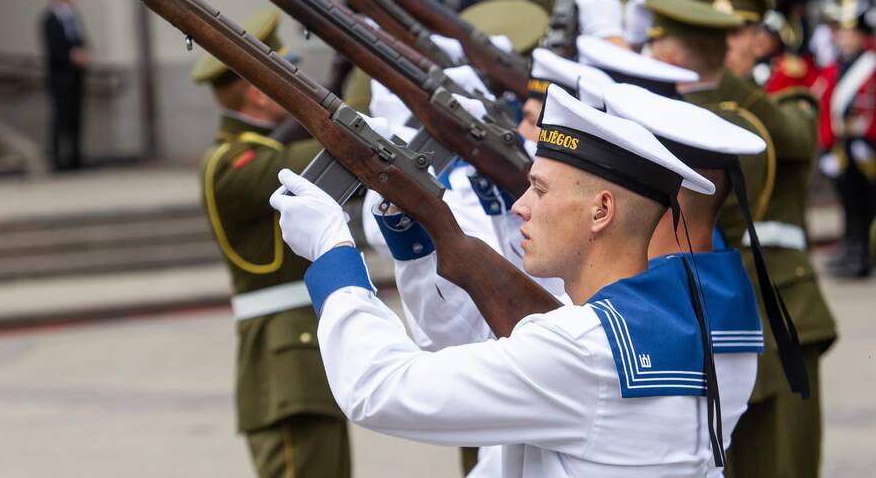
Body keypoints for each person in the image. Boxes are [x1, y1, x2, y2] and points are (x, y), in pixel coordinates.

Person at [272, 84, 731, 476]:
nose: (520, 206)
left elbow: (379, 389)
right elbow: (473, 346)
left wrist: (332, 253)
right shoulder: (657, 321)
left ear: (601, 211)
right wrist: (416, 237)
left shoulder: (580, 350)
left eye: (541, 189)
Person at [645, 0, 838, 478]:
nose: (738, 43)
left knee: (779, 462)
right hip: (704, 305)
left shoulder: (774, 103)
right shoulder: (671, 112)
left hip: (780, 304)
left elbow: (795, 139)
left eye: (742, 31)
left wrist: (715, 79)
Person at [192, 8, 351, 478]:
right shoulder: (232, 164)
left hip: (300, 358)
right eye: (286, 76)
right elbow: (341, 145)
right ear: (261, 93)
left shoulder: (257, 151)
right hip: (284, 366)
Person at [814, 0, 876, 278]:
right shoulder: (832, 67)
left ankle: (865, 254)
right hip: (843, 145)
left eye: (850, 31)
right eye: (840, 31)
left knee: (868, 203)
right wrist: (827, 148)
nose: (843, 37)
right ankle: (851, 248)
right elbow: (826, 109)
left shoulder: (871, 64)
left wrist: (869, 140)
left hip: (868, 146)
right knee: (849, 200)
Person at [41, 0, 87, 171]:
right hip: (60, 75)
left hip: (76, 74)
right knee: (61, 117)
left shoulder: (73, 15)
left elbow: (80, 38)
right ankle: (57, 159)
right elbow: (53, 47)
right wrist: (70, 57)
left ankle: (75, 158)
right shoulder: (49, 18)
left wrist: (83, 52)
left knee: (76, 116)